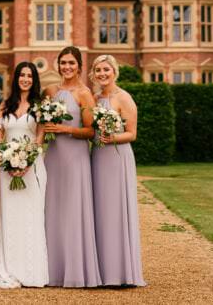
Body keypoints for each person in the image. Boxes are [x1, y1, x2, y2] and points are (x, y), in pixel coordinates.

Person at [41, 46, 101, 288]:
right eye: (63, 63)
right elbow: (42, 125)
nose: (66, 67)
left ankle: (76, 270)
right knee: (52, 208)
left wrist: (65, 129)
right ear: (58, 65)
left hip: (75, 157)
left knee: (74, 210)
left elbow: (90, 131)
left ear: (79, 66)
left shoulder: (85, 94)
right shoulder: (50, 91)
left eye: (71, 63)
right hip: (53, 156)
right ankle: (51, 271)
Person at [90, 54, 146, 286]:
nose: (102, 74)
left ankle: (121, 272)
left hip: (116, 156)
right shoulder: (93, 98)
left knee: (116, 210)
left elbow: (131, 134)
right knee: (100, 211)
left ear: (114, 72)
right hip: (97, 157)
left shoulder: (124, 97)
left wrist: (112, 137)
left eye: (106, 70)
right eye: (98, 70)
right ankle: (102, 270)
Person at [0, 61, 49, 288]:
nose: (25, 79)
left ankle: (32, 271)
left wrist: (27, 162)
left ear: (34, 80)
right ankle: (10, 268)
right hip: (7, 169)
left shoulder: (40, 106)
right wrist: (6, 159)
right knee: (9, 216)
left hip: (32, 167)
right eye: (22, 75)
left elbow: (39, 139)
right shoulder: (5, 105)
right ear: (15, 78)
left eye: (29, 75)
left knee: (32, 216)